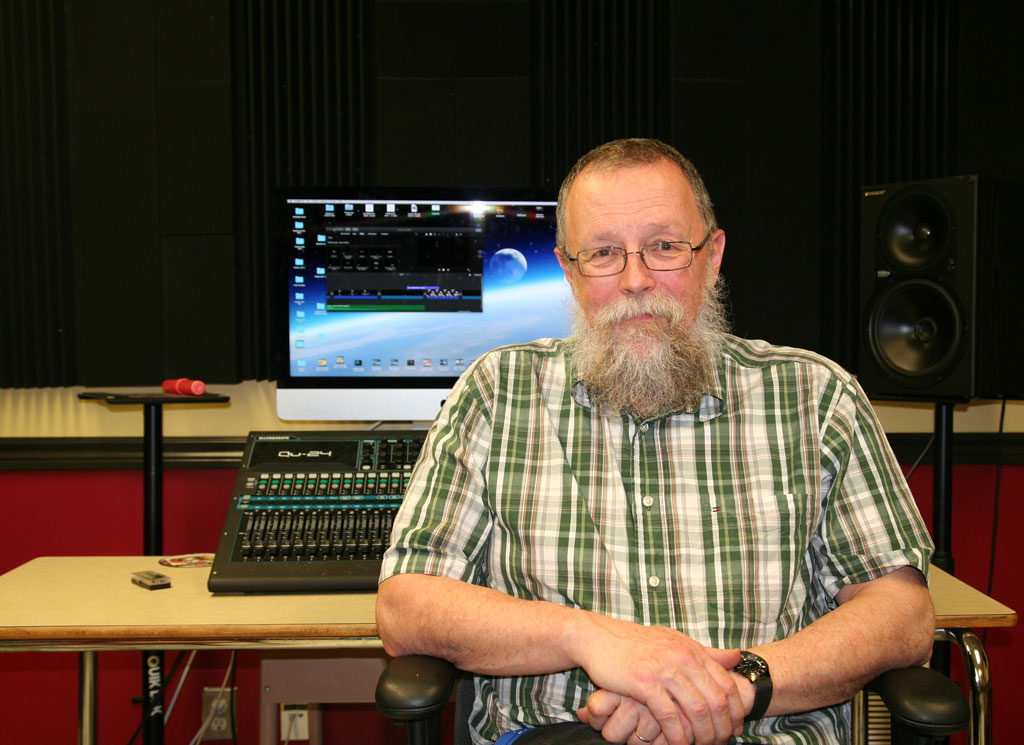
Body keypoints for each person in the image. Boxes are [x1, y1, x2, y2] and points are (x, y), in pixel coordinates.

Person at [376, 138, 935, 745]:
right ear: (568, 269)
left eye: (666, 247)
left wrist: (736, 687)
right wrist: (590, 639)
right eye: (604, 253)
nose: (636, 279)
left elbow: (902, 615)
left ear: (713, 255)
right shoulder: (496, 392)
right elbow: (407, 607)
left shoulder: (819, 397)